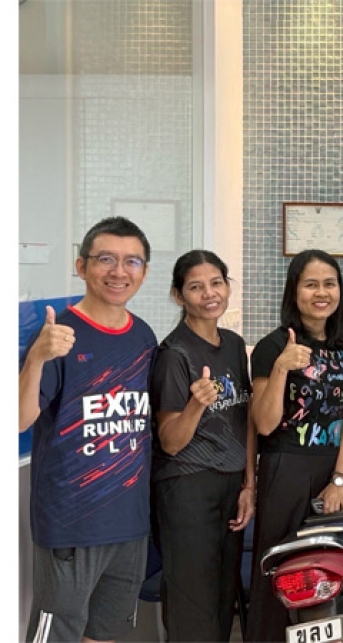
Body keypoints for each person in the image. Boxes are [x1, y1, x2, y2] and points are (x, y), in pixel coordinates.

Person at [19, 216, 157, 643]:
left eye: (131, 261)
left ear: (144, 272)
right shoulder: (56, 335)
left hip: (129, 523)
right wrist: (37, 358)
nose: (119, 271)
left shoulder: (144, 337)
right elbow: (18, 419)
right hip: (71, 526)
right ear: (81, 266)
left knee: (105, 635)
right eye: (105, 259)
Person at [244, 249, 343, 642]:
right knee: (279, 571)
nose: (321, 293)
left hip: (331, 470)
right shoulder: (272, 346)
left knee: (326, 574)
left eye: (329, 284)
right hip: (285, 470)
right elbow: (264, 423)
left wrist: (340, 479)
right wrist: (282, 366)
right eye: (311, 284)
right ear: (294, 292)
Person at [149, 250, 255, 642]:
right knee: (192, 605)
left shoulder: (233, 344)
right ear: (178, 296)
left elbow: (243, 420)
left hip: (230, 484)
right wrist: (196, 404)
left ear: (227, 286)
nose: (209, 294)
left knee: (222, 600)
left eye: (216, 283)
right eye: (196, 287)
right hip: (187, 487)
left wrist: (249, 485)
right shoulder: (174, 355)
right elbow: (171, 441)